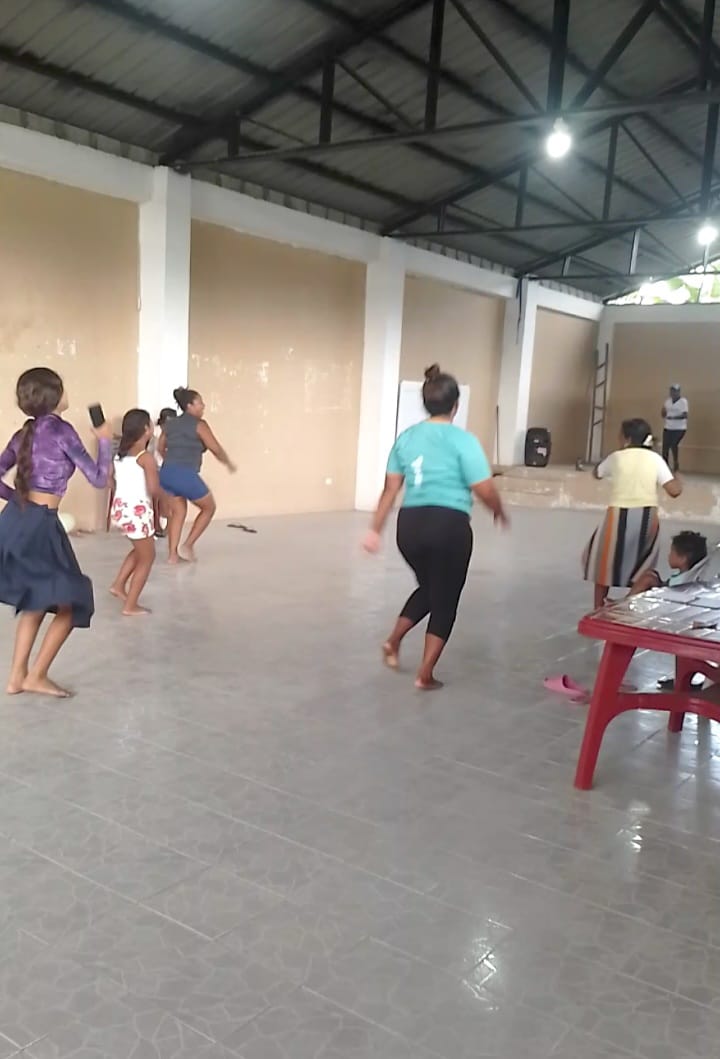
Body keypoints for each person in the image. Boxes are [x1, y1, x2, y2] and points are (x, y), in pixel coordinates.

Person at [363, 364, 508, 690]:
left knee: (431, 589)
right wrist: (499, 511)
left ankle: (392, 641)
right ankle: (425, 674)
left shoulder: (406, 438)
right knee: (445, 599)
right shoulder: (464, 441)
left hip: (409, 528)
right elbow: (484, 488)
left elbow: (390, 490)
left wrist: (374, 529)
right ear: (456, 405)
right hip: (449, 527)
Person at [0, 367, 111, 697]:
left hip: (16, 521)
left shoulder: (23, 434)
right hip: (39, 525)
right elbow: (99, 478)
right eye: (62, 387)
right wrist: (104, 440)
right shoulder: (62, 431)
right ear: (53, 395)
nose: (66, 392)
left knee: (36, 600)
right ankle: (34, 676)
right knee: (73, 602)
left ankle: (17, 679)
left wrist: (18, 498)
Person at [583, 418, 682, 610]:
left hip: (617, 515)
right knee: (642, 564)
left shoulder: (616, 457)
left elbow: (597, 473)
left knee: (604, 561)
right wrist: (678, 478)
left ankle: (598, 608)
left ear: (627, 439)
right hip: (647, 517)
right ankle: (632, 608)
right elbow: (674, 491)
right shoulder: (655, 459)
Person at [157, 387, 236, 563]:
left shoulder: (170, 424)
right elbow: (215, 448)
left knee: (178, 512)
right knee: (209, 508)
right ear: (189, 406)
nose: (203, 406)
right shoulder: (199, 424)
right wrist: (228, 462)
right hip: (184, 473)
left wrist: (171, 461)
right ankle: (188, 545)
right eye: (199, 402)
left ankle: (172, 556)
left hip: (167, 472)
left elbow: (160, 447)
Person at [109, 409, 159, 616]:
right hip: (138, 511)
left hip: (122, 509)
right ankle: (130, 605)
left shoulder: (120, 456)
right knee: (148, 557)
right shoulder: (145, 458)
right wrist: (166, 501)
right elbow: (154, 489)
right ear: (146, 429)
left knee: (140, 550)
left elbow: (110, 480)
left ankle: (118, 585)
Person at [630, 530, 708, 596]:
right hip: (668, 589)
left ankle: (627, 602)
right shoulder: (686, 575)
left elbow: (672, 591)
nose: (669, 555)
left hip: (669, 595)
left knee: (648, 579)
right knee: (651, 573)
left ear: (683, 559)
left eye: (672, 552)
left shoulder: (683, 581)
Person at [150, 407, 176, 539]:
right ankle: (157, 526)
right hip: (157, 468)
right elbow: (158, 450)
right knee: (157, 499)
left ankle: (167, 527)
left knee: (168, 499)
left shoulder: (173, 435)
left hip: (167, 469)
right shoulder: (157, 435)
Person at [661, 384, 688, 472]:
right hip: (668, 427)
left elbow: (685, 415)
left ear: (678, 392)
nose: (673, 393)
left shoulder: (683, 402)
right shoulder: (667, 402)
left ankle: (676, 464)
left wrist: (673, 417)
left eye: (675, 391)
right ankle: (665, 466)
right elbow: (663, 414)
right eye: (672, 391)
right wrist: (663, 412)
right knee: (665, 447)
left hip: (679, 428)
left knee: (673, 444)